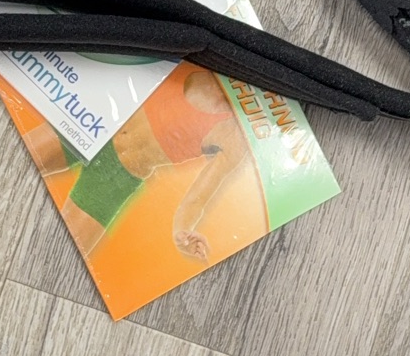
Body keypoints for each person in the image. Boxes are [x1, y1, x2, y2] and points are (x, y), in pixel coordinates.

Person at [22, 65, 257, 262]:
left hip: (114, 178)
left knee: (54, 257)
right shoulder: (199, 58)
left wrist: (182, 231)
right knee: (16, 159)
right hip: (95, 124)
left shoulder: (234, 136)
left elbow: (197, 199)